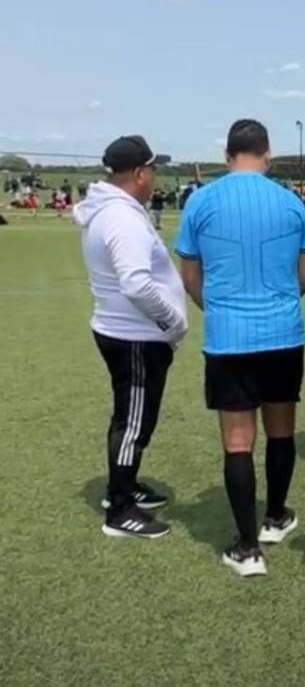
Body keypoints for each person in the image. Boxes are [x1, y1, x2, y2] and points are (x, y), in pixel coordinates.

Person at [177, 119, 305, 578]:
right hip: (283, 334)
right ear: (267, 154)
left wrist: (218, 309)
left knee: (237, 442)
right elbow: (304, 277)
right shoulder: (293, 203)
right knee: (281, 431)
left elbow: (190, 278)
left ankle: (248, 548)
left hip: (229, 337)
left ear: (227, 154)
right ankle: (275, 516)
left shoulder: (201, 201)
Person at [73, 135, 187, 539]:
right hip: (135, 335)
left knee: (134, 415)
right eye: (153, 169)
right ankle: (120, 509)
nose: (155, 177)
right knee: (134, 421)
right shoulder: (122, 217)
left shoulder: (112, 211)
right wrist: (171, 321)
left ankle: (125, 484)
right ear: (139, 173)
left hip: (124, 331)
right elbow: (137, 283)